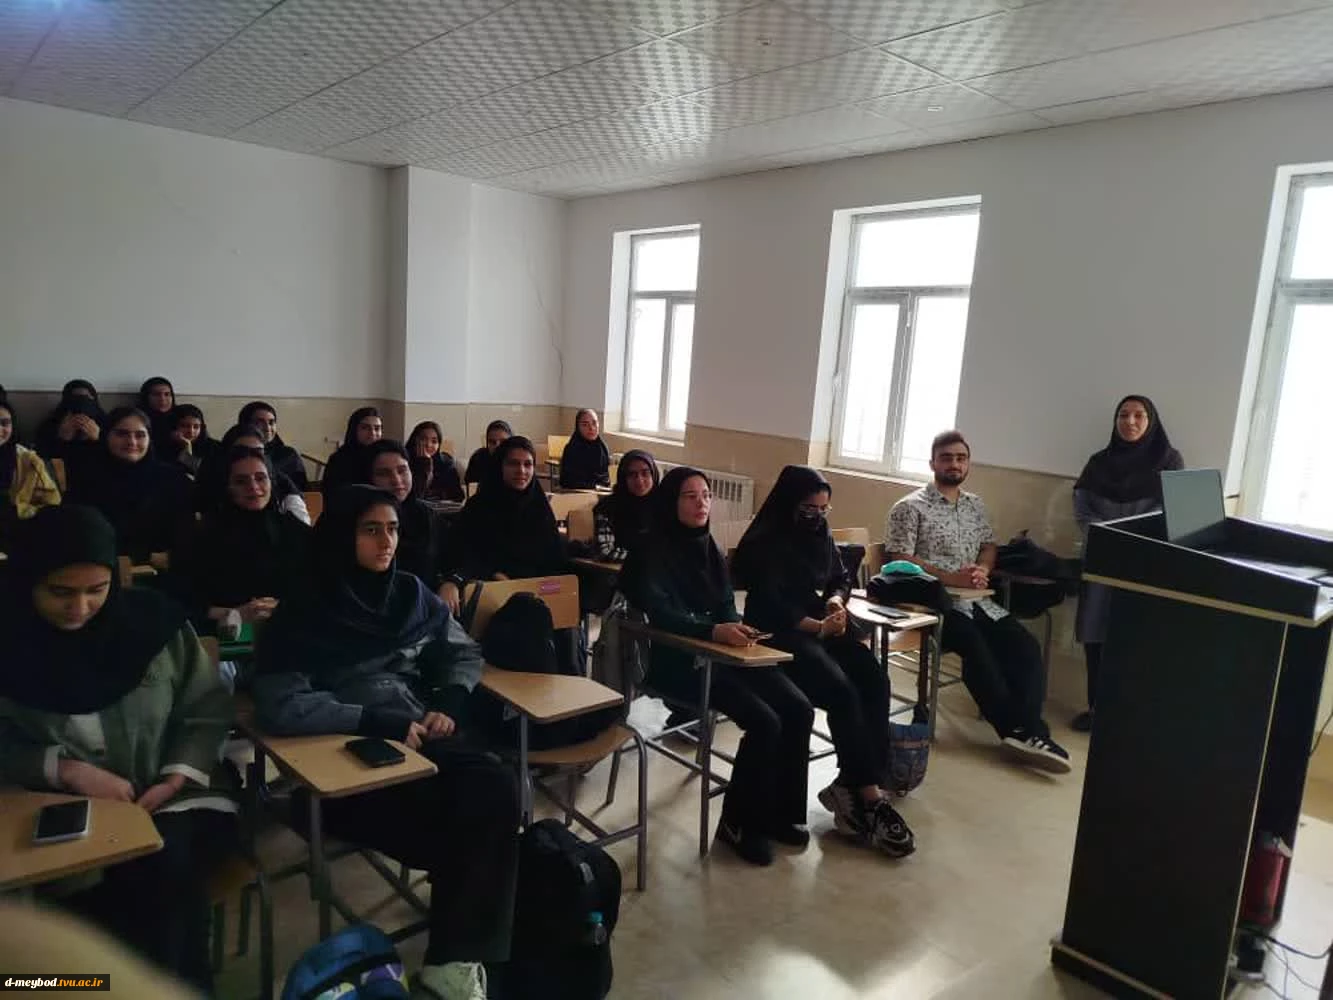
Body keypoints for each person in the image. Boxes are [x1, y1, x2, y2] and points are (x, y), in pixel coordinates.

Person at [252, 486, 518, 1000]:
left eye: (393, 529)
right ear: (342, 536)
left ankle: (456, 958)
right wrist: (373, 720)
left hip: (419, 737)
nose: (386, 542)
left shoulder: (410, 594)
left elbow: (463, 654)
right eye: (371, 530)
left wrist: (450, 701)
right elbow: (281, 703)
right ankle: (461, 957)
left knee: (494, 791)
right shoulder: (305, 609)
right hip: (345, 762)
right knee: (480, 822)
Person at [0, 506, 238, 993]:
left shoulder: (154, 626)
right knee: (107, 909)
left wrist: (175, 776)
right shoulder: (8, 642)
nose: (80, 607)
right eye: (60, 592)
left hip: (172, 797)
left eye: (97, 589)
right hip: (58, 815)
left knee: (165, 876)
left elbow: (205, 708)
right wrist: (64, 770)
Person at [622, 468, 814, 866]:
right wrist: (711, 630)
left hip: (720, 652)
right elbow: (661, 614)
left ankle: (782, 813)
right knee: (764, 721)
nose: (701, 503)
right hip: (678, 660)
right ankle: (739, 823)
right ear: (671, 502)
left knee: (798, 708)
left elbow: (725, 601)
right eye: (690, 496)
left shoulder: (709, 546)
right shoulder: (650, 550)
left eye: (706, 495)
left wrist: (734, 626)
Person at [733, 466, 915, 858]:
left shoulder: (820, 533)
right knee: (840, 690)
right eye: (808, 509)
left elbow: (840, 576)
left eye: (823, 509)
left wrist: (835, 602)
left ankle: (851, 783)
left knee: (874, 679)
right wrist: (816, 626)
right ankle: (869, 794)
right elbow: (769, 604)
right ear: (789, 504)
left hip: (821, 625)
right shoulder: (766, 541)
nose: (817, 517)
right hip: (780, 631)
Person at [886, 430, 1071, 773]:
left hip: (978, 601)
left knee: (1025, 646)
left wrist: (983, 569)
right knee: (975, 647)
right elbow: (900, 559)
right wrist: (949, 577)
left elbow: (988, 546)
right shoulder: (909, 507)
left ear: (968, 463)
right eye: (946, 458)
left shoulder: (975, 505)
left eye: (961, 458)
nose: (954, 464)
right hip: (932, 604)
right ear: (932, 463)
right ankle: (1018, 731)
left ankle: (1029, 730)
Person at [1071, 395, 1183, 732]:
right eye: (1123, 414)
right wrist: (1106, 535)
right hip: (1102, 560)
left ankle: (1129, 715)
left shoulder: (1169, 462)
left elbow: (1169, 513)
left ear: (1151, 421)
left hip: (1143, 564)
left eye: (1139, 415)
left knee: (1134, 637)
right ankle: (1096, 709)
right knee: (1096, 636)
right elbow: (1082, 508)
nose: (1130, 422)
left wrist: (1132, 537)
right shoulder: (1098, 462)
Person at [182, 446, 312, 641]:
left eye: (261, 478)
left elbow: (318, 593)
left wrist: (282, 607)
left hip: (291, 635)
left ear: (271, 481)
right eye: (241, 481)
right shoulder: (202, 536)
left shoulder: (295, 531)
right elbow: (184, 602)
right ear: (226, 486)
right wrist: (235, 613)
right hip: (220, 639)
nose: (253, 487)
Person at [446, 436, 565, 610]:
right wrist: (494, 574)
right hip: (492, 594)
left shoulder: (539, 507)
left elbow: (553, 559)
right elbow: (465, 556)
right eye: (513, 464)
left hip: (537, 594)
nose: (521, 470)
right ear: (499, 466)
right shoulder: (479, 507)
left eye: (528, 464)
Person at [63, 407, 192, 560]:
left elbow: (185, 534)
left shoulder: (173, 479)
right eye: (122, 434)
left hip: (162, 567)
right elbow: (77, 531)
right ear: (106, 436)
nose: (132, 442)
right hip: (101, 564)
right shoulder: (86, 477)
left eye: (140, 435)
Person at [364, 439, 444, 595]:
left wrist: (450, 582)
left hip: (425, 601)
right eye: (383, 473)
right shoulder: (358, 518)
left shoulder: (425, 515)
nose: (396, 480)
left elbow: (450, 558)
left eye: (402, 471)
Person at [195, 424, 309, 524]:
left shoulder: (282, 483)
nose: (253, 486)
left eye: (258, 452)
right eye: (242, 452)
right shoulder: (211, 483)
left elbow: (300, 523)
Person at [1, 399, 61, 549]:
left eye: (4, 423)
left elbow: (51, 503)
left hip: (16, 533)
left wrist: (18, 511)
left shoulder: (28, 460)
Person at [591, 449, 658, 562]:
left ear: (653, 474)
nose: (640, 480)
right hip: (618, 570)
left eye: (645, 473)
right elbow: (605, 552)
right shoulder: (608, 507)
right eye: (632, 475)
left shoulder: (664, 505)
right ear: (623, 478)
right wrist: (646, 558)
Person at [237, 401, 308, 490]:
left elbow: (303, 491)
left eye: (271, 423)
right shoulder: (232, 454)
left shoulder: (289, 455)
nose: (267, 428)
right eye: (259, 422)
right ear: (245, 425)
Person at [34, 380, 105, 461]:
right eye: (75, 399)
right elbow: (40, 460)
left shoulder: (107, 425)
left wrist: (98, 439)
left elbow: (111, 461)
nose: (81, 404)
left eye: (86, 398)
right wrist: (62, 439)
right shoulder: (49, 426)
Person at [322, 406, 383, 496]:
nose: (372, 433)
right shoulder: (339, 459)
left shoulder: (384, 457)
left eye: (377, 428)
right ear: (354, 430)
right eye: (365, 428)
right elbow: (332, 494)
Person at [407, 421, 465, 502]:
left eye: (434, 441)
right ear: (414, 440)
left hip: (441, 508)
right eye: (423, 439)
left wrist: (439, 496)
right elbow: (413, 497)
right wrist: (425, 467)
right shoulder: (404, 461)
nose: (428, 445)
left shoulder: (446, 463)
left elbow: (458, 496)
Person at [558, 408, 611, 490]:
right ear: (578, 427)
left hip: (601, 492)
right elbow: (567, 481)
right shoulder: (572, 449)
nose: (591, 428)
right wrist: (594, 487)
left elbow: (606, 476)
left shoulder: (602, 448)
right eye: (585, 425)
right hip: (577, 493)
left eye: (594, 423)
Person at [163, 404, 219, 477]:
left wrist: (188, 451)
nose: (191, 431)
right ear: (174, 427)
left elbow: (207, 476)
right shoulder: (163, 448)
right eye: (185, 426)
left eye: (196, 427)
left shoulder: (214, 448)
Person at [463, 420, 511, 486]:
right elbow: (471, 486)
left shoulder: (519, 460)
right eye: (492, 442)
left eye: (503, 442)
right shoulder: (478, 458)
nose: (497, 446)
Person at [137, 377, 177, 451]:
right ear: (146, 397)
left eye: (167, 394)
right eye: (156, 394)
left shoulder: (181, 416)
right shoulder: (137, 420)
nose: (162, 399)